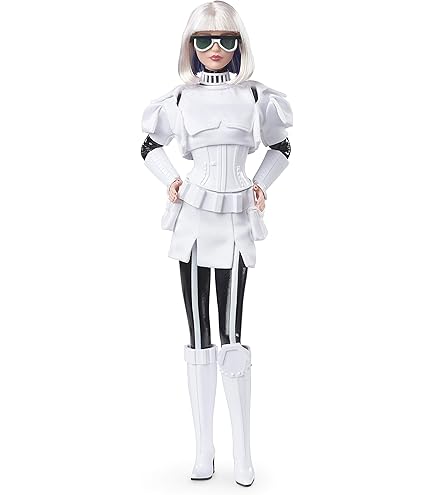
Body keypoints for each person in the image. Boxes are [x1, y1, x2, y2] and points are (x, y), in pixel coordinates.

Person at [140, 0, 292, 487]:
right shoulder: (179, 99)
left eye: (227, 39)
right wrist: (170, 179)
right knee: (198, 328)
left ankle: (242, 453)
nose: (215, 49)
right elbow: (148, 146)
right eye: (204, 40)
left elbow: (282, 146)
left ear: (239, 43)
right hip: (193, 214)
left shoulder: (257, 96)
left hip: (236, 217)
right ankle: (204, 450)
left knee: (232, 328)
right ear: (190, 45)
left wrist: (261, 183)